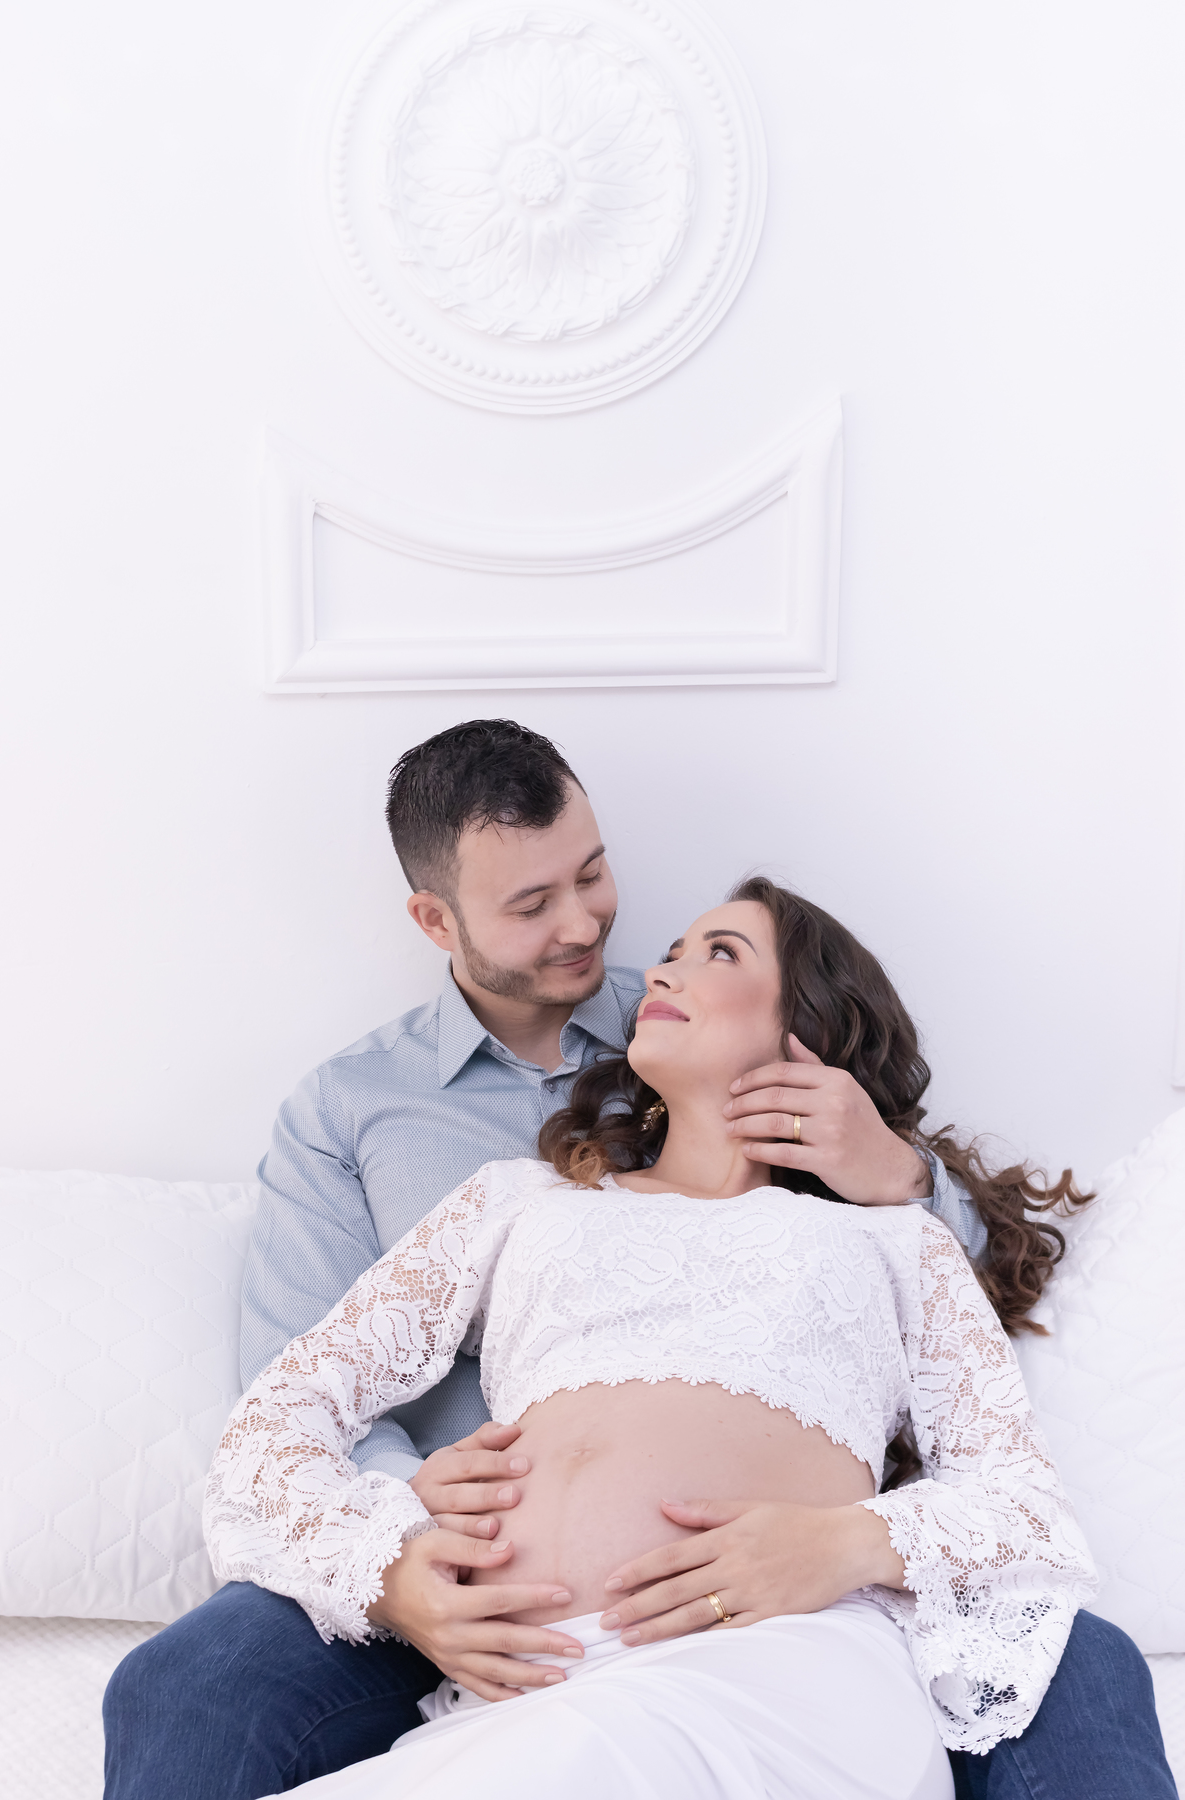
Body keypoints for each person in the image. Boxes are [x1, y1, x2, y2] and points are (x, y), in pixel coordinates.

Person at [103, 722, 1176, 1800]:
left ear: (803, 1030)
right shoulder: (388, 1131)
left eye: (594, 874)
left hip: (777, 1617)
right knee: (193, 1678)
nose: (598, 933)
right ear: (436, 920)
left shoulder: (863, 1212)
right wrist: (402, 1542)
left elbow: (1009, 1464)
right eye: (531, 906)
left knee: (1081, 1664)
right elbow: (288, 1397)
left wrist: (896, 1175)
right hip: (477, 1598)